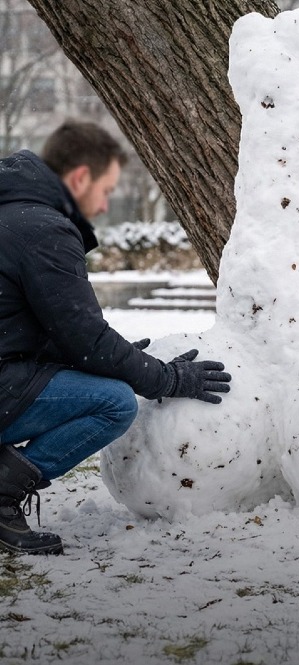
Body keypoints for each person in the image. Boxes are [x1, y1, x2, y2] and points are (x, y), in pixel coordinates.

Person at [0, 121, 232, 555]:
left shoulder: (13, 214)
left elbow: (31, 328)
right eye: (106, 190)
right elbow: (84, 338)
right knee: (114, 402)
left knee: (105, 382)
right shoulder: (42, 228)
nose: (105, 206)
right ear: (81, 177)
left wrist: (114, 357)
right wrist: (169, 380)